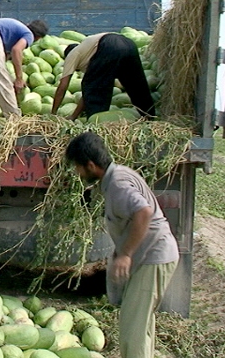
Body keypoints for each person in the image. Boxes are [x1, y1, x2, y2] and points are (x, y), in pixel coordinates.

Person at [65, 131, 178, 358]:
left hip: (154, 258)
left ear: (90, 165)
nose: (77, 173)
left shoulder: (118, 184)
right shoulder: (118, 175)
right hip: (150, 258)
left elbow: (143, 212)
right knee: (140, 322)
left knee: (132, 330)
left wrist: (126, 254)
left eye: (77, 167)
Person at [52, 33, 155, 120]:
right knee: (137, 86)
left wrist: (53, 113)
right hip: (129, 44)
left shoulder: (72, 55)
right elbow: (89, 92)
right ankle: (150, 117)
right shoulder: (89, 52)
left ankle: (96, 125)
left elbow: (62, 87)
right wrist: (74, 116)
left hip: (109, 45)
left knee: (94, 91)